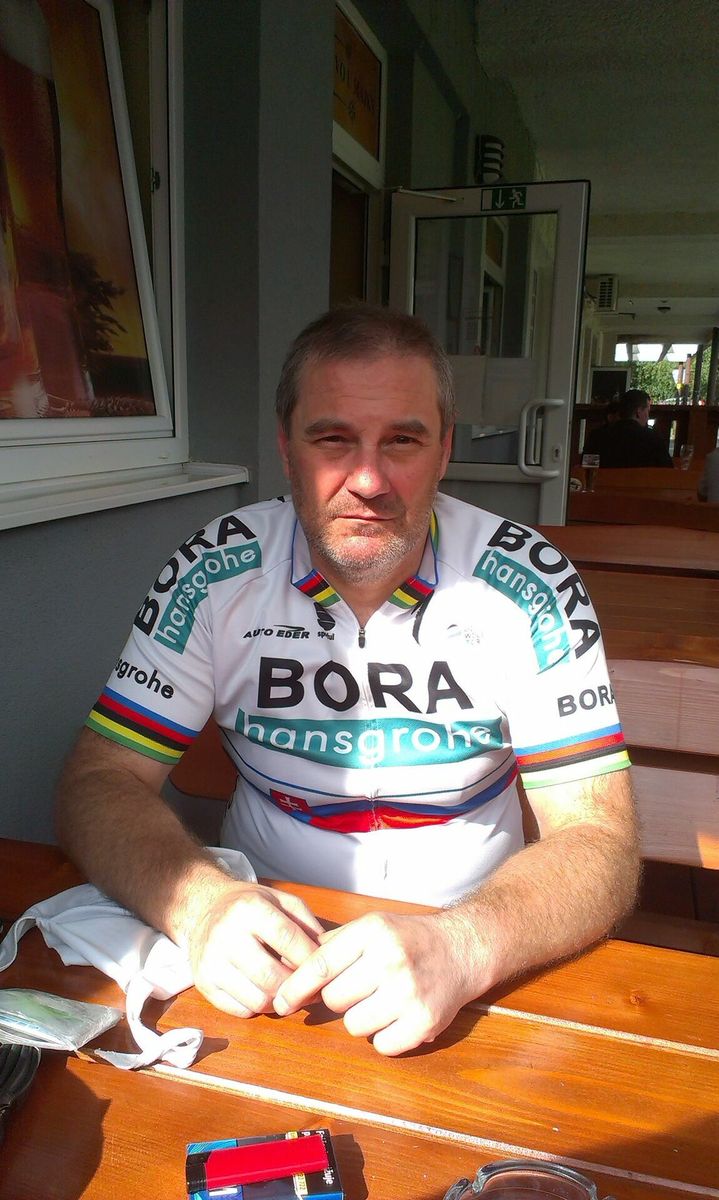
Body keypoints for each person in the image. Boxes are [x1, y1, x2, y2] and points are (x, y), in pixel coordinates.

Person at [55, 304, 639, 1057]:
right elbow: (99, 779)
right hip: (261, 951)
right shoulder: (214, 571)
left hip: (476, 948)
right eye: (332, 439)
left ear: (444, 450)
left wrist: (465, 947)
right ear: (285, 447)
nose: (367, 480)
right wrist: (199, 907)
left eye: (402, 440)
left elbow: (599, 837)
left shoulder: (529, 583)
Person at [585, 389, 673, 468]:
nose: (648, 417)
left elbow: (587, 468)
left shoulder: (597, 437)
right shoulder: (654, 439)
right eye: (647, 411)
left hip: (604, 481)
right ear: (638, 411)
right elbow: (667, 471)